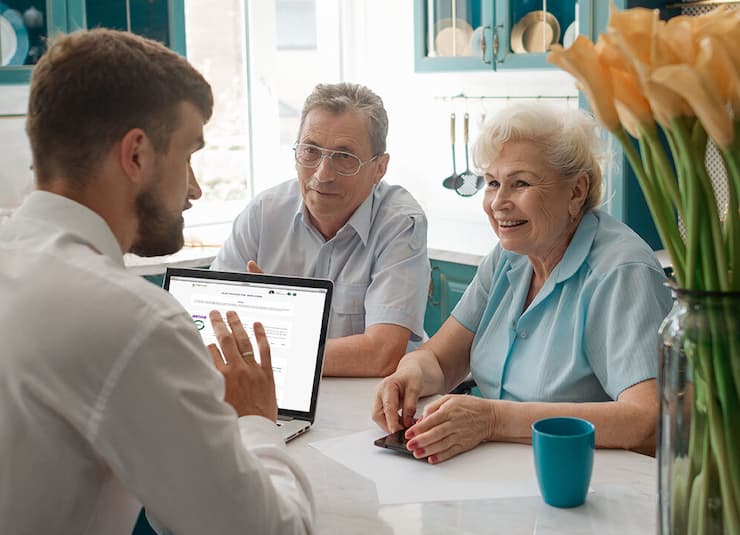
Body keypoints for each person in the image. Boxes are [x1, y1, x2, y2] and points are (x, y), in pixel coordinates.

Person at [0, 29, 313, 534]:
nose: (195, 188)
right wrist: (255, 418)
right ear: (137, 155)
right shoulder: (133, 321)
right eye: (189, 154)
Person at [372, 103, 673, 463]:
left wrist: (492, 419)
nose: (499, 202)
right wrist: (408, 376)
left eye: (520, 183)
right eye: (493, 183)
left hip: (582, 487)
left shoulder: (621, 271)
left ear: (576, 191)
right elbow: (439, 359)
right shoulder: (508, 257)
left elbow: (647, 421)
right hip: (501, 474)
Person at [212, 82, 430, 377]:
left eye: (344, 157)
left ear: (380, 167)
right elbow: (211, 323)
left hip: (370, 402)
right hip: (280, 392)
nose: (322, 174)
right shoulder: (264, 213)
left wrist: (274, 335)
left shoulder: (400, 223)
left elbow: (382, 355)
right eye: (311, 151)